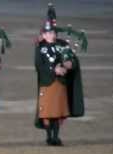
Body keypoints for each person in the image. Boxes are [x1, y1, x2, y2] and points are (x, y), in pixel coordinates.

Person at [34, 3, 85, 146]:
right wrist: (54, 70)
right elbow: (39, 65)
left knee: (57, 113)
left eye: (53, 33)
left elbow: (72, 59)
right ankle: (49, 136)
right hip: (47, 82)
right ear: (43, 34)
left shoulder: (62, 45)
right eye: (48, 33)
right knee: (48, 113)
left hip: (61, 83)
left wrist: (69, 65)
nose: (52, 35)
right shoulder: (40, 48)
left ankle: (55, 137)